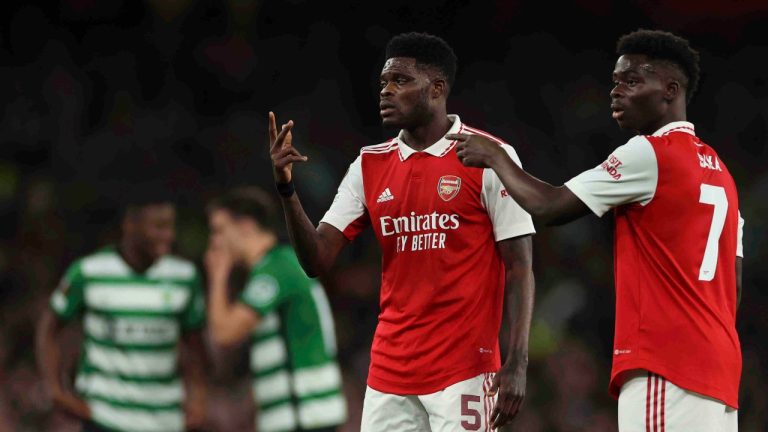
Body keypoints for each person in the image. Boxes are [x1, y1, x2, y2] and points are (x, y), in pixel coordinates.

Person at [452, 29, 743, 431]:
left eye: (632, 81)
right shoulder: (723, 176)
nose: (616, 91)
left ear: (670, 90)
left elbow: (550, 206)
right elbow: (734, 281)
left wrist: (497, 157)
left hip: (666, 365)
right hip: (719, 373)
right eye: (615, 82)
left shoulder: (650, 153)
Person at [268, 32, 536, 430]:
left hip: (464, 369)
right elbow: (317, 259)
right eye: (383, 83)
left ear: (437, 88)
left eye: (401, 81)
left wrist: (516, 361)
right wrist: (287, 188)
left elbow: (519, 267)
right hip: (389, 374)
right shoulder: (369, 165)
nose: (386, 91)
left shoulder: (488, 155)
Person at [35, 191, 209, 432]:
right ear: (131, 226)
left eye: (170, 227)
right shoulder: (89, 272)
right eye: (158, 227)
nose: (167, 235)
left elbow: (194, 344)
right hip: (105, 416)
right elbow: (49, 326)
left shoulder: (184, 277)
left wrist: (198, 397)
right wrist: (55, 390)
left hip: (165, 418)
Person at [204, 187, 347, 432]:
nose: (214, 242)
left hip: (304, 416)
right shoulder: (281, 263)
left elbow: (224, 333)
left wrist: (217, 276)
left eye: (219, 230)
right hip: (307, 415)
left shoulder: (277, 268)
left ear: (246, 226)